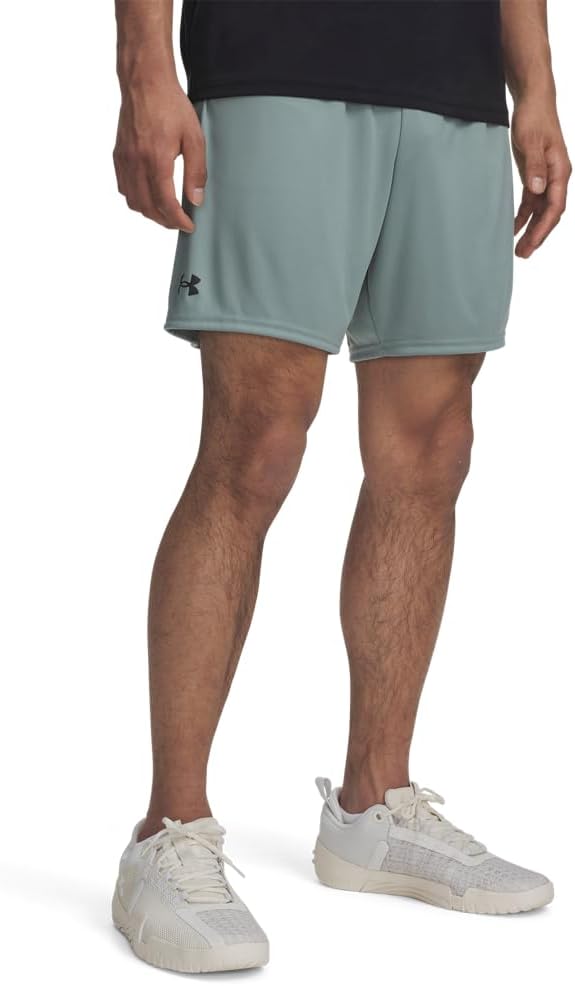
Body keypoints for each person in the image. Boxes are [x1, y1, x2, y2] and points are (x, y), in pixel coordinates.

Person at [111, 0, 570, 973]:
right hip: (276, 65)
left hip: (453, 88)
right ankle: (169, 829)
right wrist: (144, 68)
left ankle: (373, 805)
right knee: (254, 443)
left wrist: (535, 87)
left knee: (431, 448)